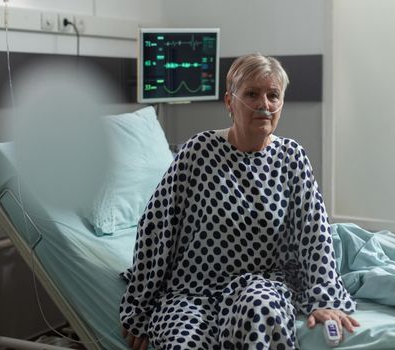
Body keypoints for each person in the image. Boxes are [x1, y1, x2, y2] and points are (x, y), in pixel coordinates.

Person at [120, 53, 359, 350]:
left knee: (260, 309)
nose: (264, 105)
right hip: (193, 290)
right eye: (252, 94)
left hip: (263, 285)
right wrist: (139, 308)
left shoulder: (291, 157)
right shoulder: (199, 152)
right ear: (230, 102)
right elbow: (156, 225)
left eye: (273, 95)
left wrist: (324, 298)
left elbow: (315, 232)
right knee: (183, 342)